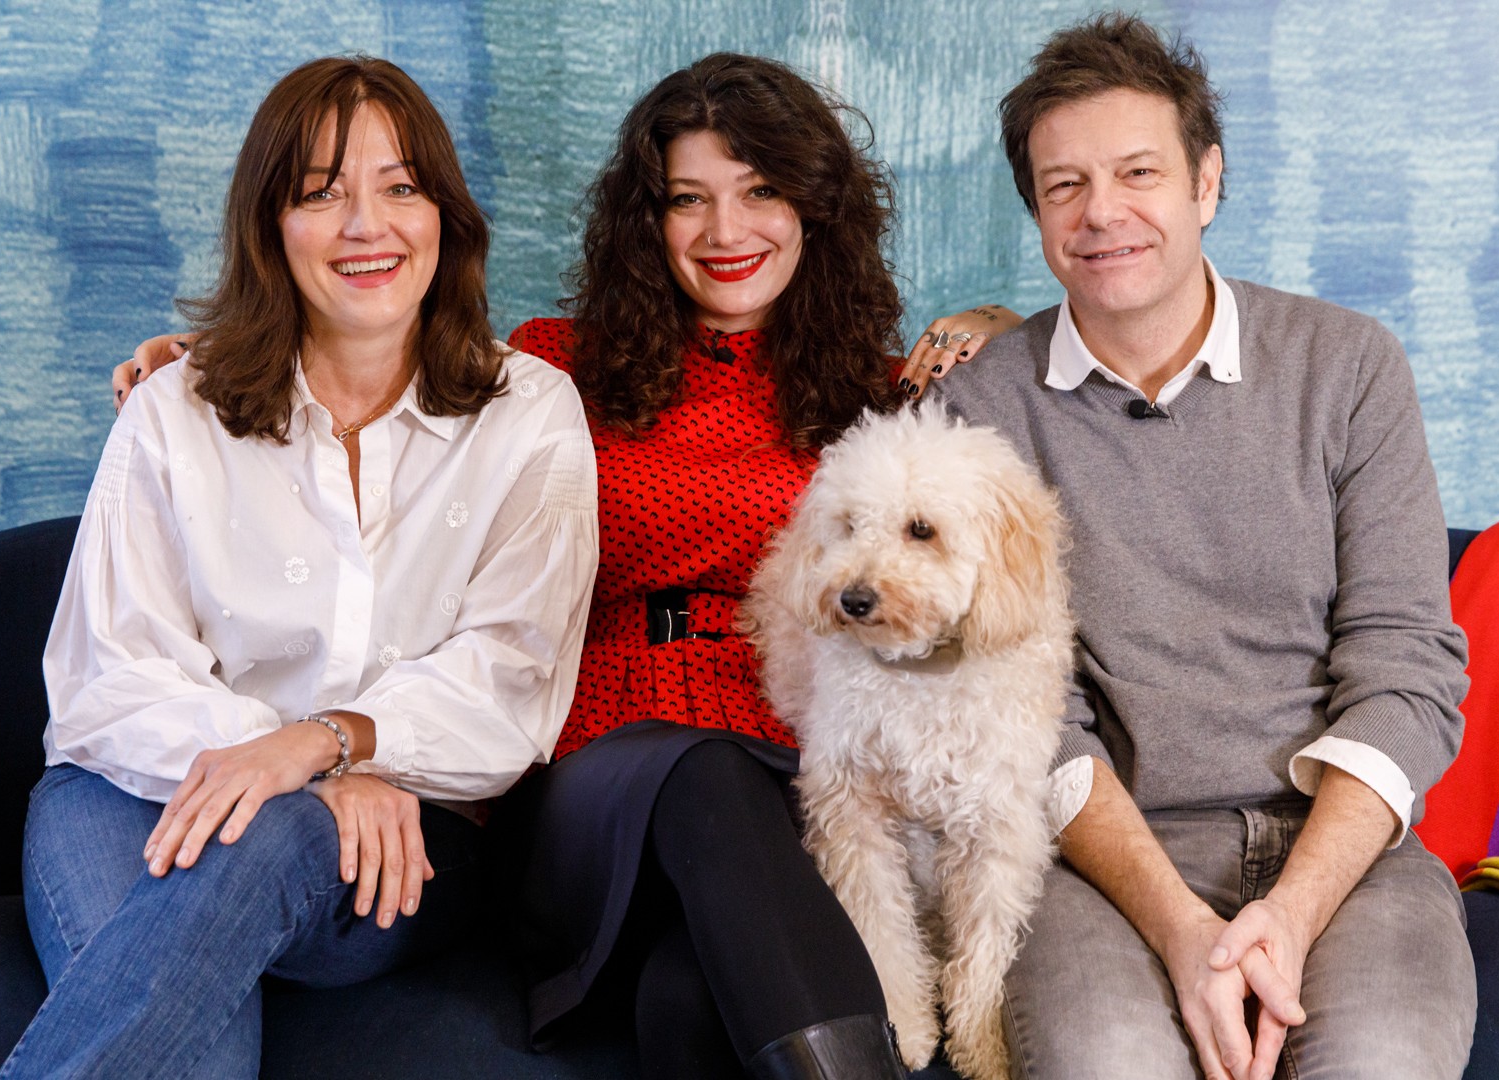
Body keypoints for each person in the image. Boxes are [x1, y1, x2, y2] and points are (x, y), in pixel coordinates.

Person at [115, 53, 1023, 1079]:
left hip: (797, 776)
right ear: (648, 221)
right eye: (687, 199)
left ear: (816, 208)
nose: (725, 231)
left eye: (761, 191)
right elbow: (375, 357)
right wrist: (221, 356)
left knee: (690, 1002)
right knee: (702, 771)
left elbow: (1010, 482)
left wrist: (1003, 328)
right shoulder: (549, 369)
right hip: (591, 788)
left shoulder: (885, 397)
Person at [4, 56, 597, 1078]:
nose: (367, 225)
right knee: (198, 1048)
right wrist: (297, 766)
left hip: (400, 837)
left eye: (400, 187)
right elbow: (110, 679)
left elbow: (510, 683)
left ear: (445, 217)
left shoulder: (530, 414)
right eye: (321, 194)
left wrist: (329, 748)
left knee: (270, 847)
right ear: (270, 226)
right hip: (131, 791)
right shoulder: (174, 407)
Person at [919, 13, 1477, 1080]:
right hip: (1101, 860)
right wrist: (1183, 931)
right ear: (1036, 211)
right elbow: (1020, 707)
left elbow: (1407, 669)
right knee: (1109, 1066)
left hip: (1345, 849)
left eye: (1139, 172)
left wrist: (1291, 913)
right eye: (1065, 185)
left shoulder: (1349, 367)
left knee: (1381, 1063)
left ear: (1205, 182)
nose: (1103, 212)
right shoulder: (980, 411)